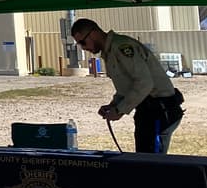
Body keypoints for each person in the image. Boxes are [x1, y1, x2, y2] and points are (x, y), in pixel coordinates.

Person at [71, 18, 185, 153]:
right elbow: (127, 87)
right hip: (147, 111)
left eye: (83, 42)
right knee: (144, 160)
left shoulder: (122, 47)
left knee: (153, 165)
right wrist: (113, 105)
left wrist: (120, 110)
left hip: (159, 110)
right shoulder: (110, 52)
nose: (83, 48)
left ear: (94, 33)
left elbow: (144, 83)